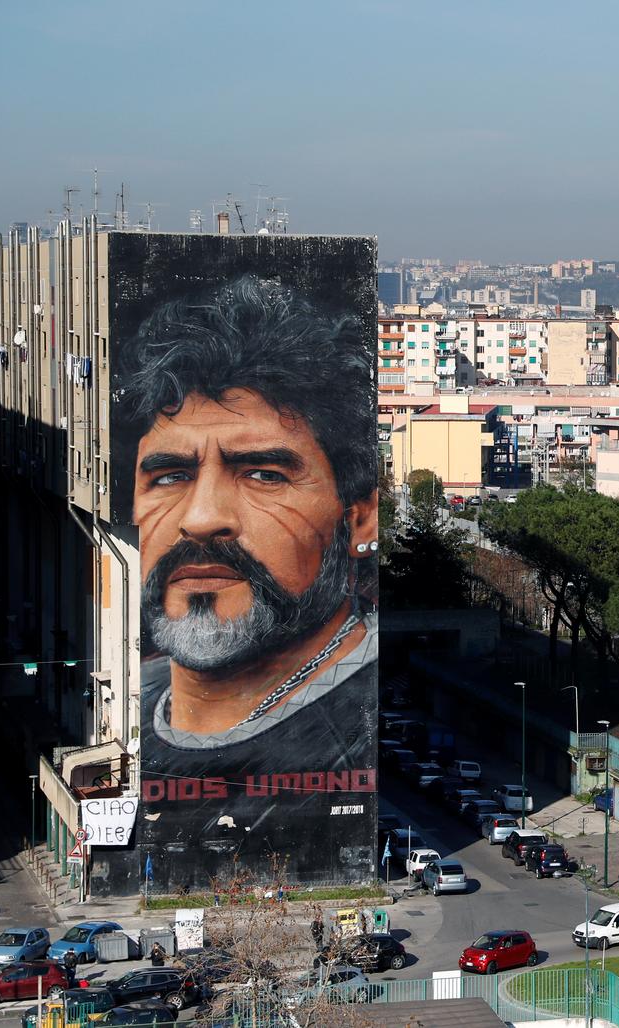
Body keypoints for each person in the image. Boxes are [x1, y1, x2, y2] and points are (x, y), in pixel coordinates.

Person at [117, 275, 380, 881]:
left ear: (358, 516)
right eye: (168, 476)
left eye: (262, 474)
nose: (202, 519)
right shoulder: (134, 703)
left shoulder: (353, 729)